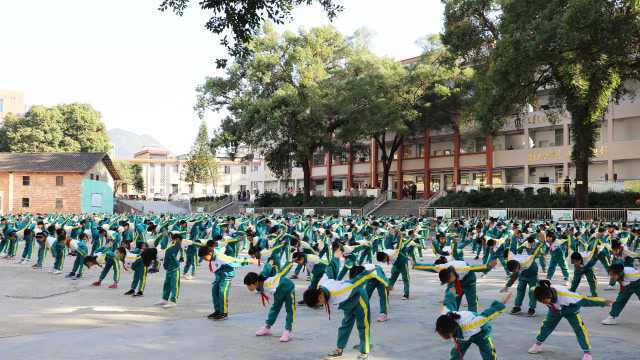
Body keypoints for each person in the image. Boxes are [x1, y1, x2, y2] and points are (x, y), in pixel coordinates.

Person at [303, 271, 382, 360]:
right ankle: (339, 349)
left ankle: (364, 351)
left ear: (320, 295)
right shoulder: (319, 287)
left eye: (319, 302)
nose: (321, 304)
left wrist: (371, 272)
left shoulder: (340, 291)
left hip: (359, 299)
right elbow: (328, 271)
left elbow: (357, 280)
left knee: (363, 325)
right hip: (346, 303)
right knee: (345, 325)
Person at [528, 280, 611, 360]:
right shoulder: (538, 291)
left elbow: (586, 300)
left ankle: (587, 353)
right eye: (541, 301)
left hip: (570, 309)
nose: (543, 303)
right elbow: (533, 289)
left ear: (549, 295)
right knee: (547, 325)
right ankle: (538, 344)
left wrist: (604, 302)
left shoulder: (567, 296)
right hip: (555, 310)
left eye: (544, 301)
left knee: (579, 329)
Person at [436, 290, 512, 360]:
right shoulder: (446, 315)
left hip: (481, 332)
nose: (440, 335)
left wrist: (502, 303)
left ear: (451, 331)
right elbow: (449, 300)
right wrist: (451, 289)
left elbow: (488, 314)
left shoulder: (472, 324)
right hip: (463, 333)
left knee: (489, 354)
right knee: (456, 354)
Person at [245, 262, 296, 342]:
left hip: (288, 288)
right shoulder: (260, 283)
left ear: (254, 283)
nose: (248, 288)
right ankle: (267, 328)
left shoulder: (267, 283)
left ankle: (287, 331)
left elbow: (276, 271)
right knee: (274, 309)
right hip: (278, 292)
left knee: (290, 310)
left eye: (248, 285)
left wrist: (290, 262)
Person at [156, 233, 184, 308]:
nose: (176, 241)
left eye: (178, 240)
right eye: (175, 239)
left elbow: (179, 249)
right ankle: (164, 299)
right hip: (168, 268)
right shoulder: (170, 245)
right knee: (167, 284)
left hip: (175, 268)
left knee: (174, 285)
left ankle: (173, 300)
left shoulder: (178, 246)